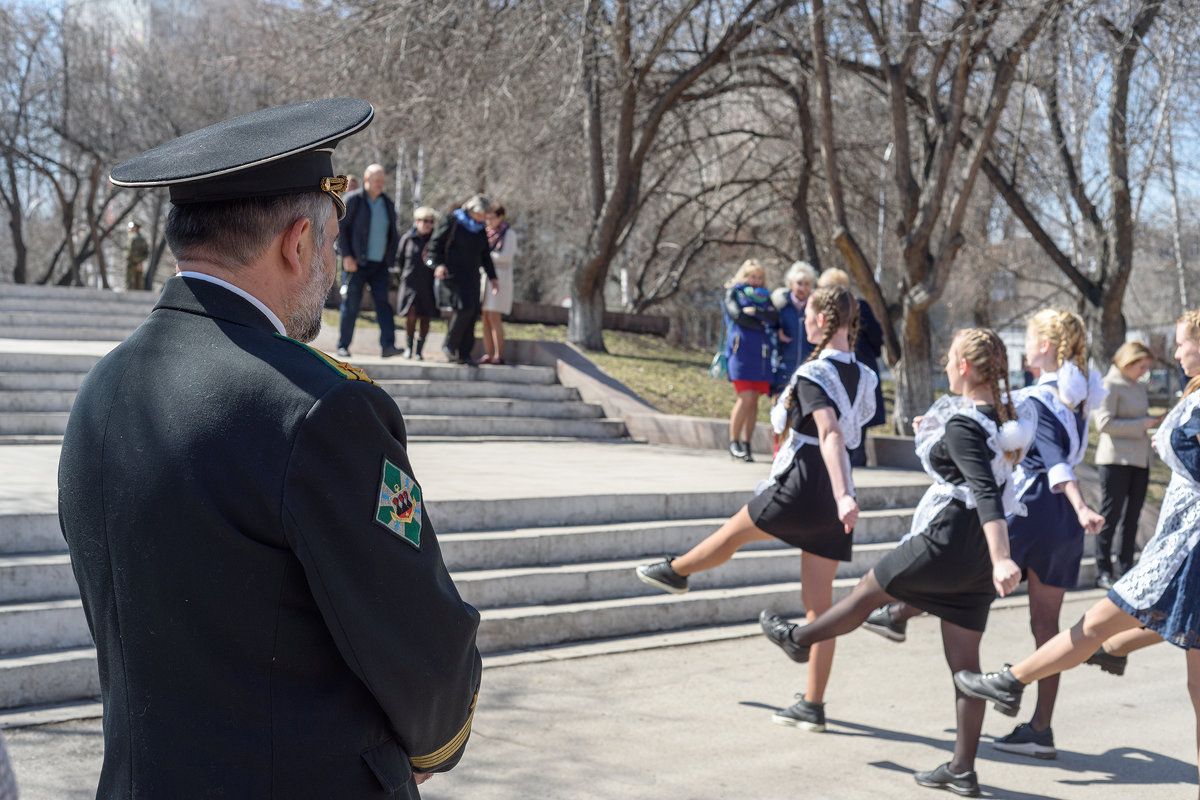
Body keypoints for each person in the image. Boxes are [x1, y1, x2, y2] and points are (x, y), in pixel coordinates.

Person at [71, 98, 482, 799]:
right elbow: (426, 654)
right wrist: (431, 744)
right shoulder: (321, 408)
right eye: (329, 248)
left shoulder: (104, 390)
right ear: (297, 242)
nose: (333, 269)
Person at [759, 328, 1032, 797]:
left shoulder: (965, 424)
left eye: (948, 357)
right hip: (976, 555)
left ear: (964, 367)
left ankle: (799, 639)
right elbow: (985, 475)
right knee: (965, 664)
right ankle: (963, 770)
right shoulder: (1001, 417)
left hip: (950, 537)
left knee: (868, 590)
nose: (944, 364)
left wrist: (1002, 558)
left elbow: (983, 490)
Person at [954, 308, 1200, 795]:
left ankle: (1010, 680)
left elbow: (1056, 460)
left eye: (1181, 343)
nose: (1175, 353)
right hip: (1174, 540)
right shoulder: (1190, 392)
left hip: (1183, 546)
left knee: (1094, 623)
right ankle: (1030, 683)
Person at [865, 308, 1106, 761]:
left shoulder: (1039, 395)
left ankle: (897, 613)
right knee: (1045, 627)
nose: (1025, 347)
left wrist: (1079, 503)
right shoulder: (1075, 397)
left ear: (1046, 348)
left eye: (1031, 339)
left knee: (966, 566)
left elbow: (1041, 455)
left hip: (1031, 507)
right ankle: (1041, 727)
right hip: (1061, 524)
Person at [636, 285, 876, 732]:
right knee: (819, 608)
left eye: (806, 315)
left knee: (734, 532)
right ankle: (813, 705)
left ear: (821, 322)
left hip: (806, 481)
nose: (801, 320)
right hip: (835, 491)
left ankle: (678, 571)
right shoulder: (865, 376)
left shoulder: (815, 374)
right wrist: (845, 495)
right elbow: (848, 435)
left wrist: (842, 493)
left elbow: (831, 435)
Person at [1094, 340, 1161, 589]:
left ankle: (1125, 568)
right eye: (1141, 366)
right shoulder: (1109, 384)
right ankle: (1103, 570)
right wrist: (1141, 425)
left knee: (1132, 518)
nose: (1144, 372)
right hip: (1115, 460)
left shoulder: (1138, 386)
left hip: (1140, 460)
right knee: (1110, 516)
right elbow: (1103, 423)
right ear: (1128, 362)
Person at [816, 269, 885, 465]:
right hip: (838, 363)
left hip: (859, 361)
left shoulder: (858, 306)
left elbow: (876, 335)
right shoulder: (826, 310)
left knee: (857, 404)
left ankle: (858, 452)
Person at [425, 195, 499, 366]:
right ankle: (450, 345)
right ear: (471, 210)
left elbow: (485, 254)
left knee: (472, 312)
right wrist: (438, 265)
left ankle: (464, 354)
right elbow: (435, 244)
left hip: (472, 275)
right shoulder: (453, 221)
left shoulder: (479, 228)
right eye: (480, 214)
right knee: (465, 307)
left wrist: (493, 277)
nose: (482, 219)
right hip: (452, 273)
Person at [336, 163, 401, 358]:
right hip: (356, 263)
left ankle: (388, 346)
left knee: (384, 304)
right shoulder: (353, 200)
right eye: (376, 181)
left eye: (382, 181)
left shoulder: (387, 204)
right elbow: (339, 229)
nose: (380, 184)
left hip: (379, 265)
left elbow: (393, 234)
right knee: (351, 305)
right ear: (367, 180)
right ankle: (343, 345)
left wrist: (390, 258)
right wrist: (346, 255)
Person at [722, 259, 780, 461]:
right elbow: (737, 315)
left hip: (762, 354)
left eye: (759, 277)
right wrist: (761, 319)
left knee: (754, 401)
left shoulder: (765, 297)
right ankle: (733, 441)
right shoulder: (734, 293)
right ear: (744, 276)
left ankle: (747, 444)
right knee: (745, 397)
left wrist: (757, 313)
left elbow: (774, 318)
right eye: (751, 276)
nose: (755, 281)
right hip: (741, 353)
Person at [395, 206, 438, 359]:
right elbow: (399, 260)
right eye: (425, 221)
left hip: (428, 285)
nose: (428, 224)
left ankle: (419, 350)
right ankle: (409, 347)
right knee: (411, 316)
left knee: (425, 317)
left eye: (431, 222)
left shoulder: (435, 240)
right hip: (410, 284)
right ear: (417, 221)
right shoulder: (408, 239)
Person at [770, 260, 817, 400]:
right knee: (778, 408)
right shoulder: (780, 305)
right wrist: (776, 334)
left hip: (807, 367)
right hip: (783, 366)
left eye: (807, 284)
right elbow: (768, 329)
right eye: (799, 283)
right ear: (791, 284)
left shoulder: (814, 307)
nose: (802, 287)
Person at [481, 204, 517, 364]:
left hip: (500, 279)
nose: (488, 221)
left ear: (500, 217)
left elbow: (507, 256)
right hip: (484, 279)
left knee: (494, 316)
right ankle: (488, 353)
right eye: (487, 217)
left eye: (492, 217)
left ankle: (498, 354)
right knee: (485, 317)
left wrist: (484, 257)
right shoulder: (484, 233)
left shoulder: (509, 234)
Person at [124, 220, 149, 291]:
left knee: (129, 286)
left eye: (130, 227)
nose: (128, 229)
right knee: (138, 285)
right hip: (139, 265)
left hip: (131, 265)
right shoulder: (142, 239)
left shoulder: (131, 238)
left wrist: (136, 262)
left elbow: (129, 253)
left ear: (135, 228)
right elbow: (146, 253)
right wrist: (139, 262)